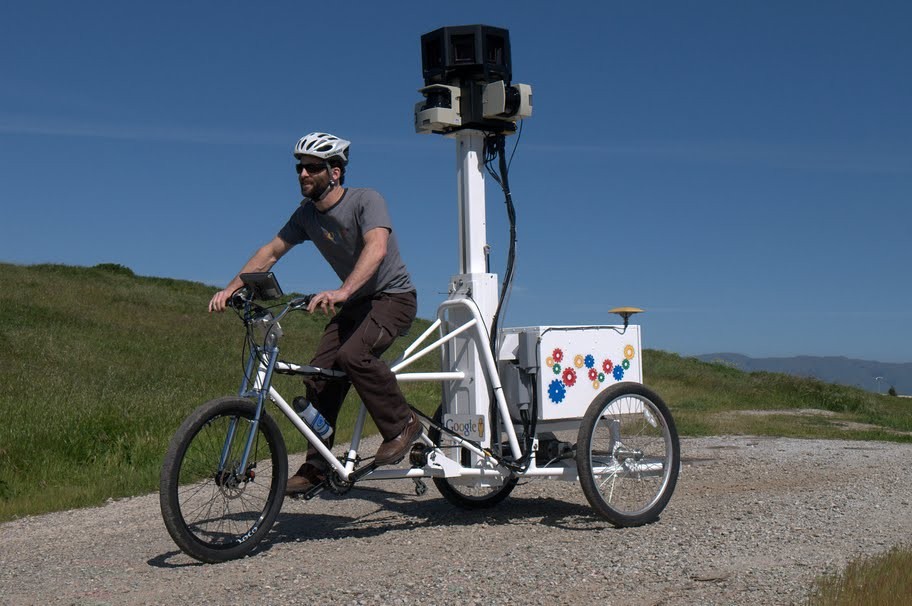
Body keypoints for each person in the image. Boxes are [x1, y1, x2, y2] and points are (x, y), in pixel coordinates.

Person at [208, 131, 421, 494]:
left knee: (354, 356)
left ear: (334, 172)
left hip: (393, 298)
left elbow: (377, 247)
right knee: (319, 375)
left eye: (312, 168)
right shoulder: (307, 215)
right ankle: (317, 467)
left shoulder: (366, 200)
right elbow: (272, 251)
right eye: (300, 168)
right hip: (357, 303)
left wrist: (344, 290)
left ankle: (402, 426)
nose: (303, 174)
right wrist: (232, 287)